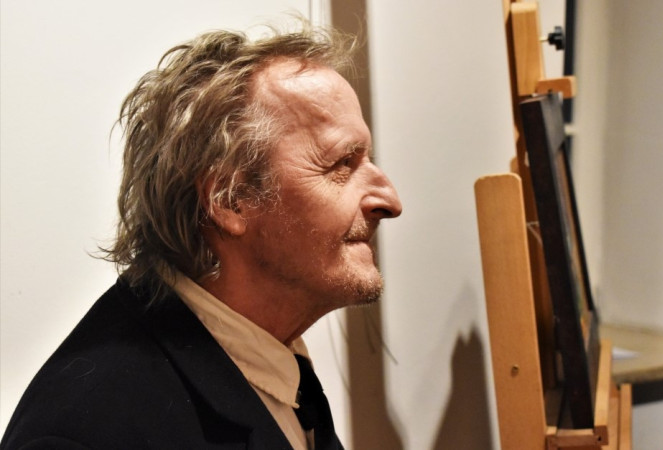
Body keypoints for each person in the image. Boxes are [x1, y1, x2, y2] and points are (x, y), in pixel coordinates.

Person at [1, 22, 401, 450]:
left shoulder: (273, 363)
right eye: (342, 164)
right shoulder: (89, 432)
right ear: (230, 200)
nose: (390, 201)